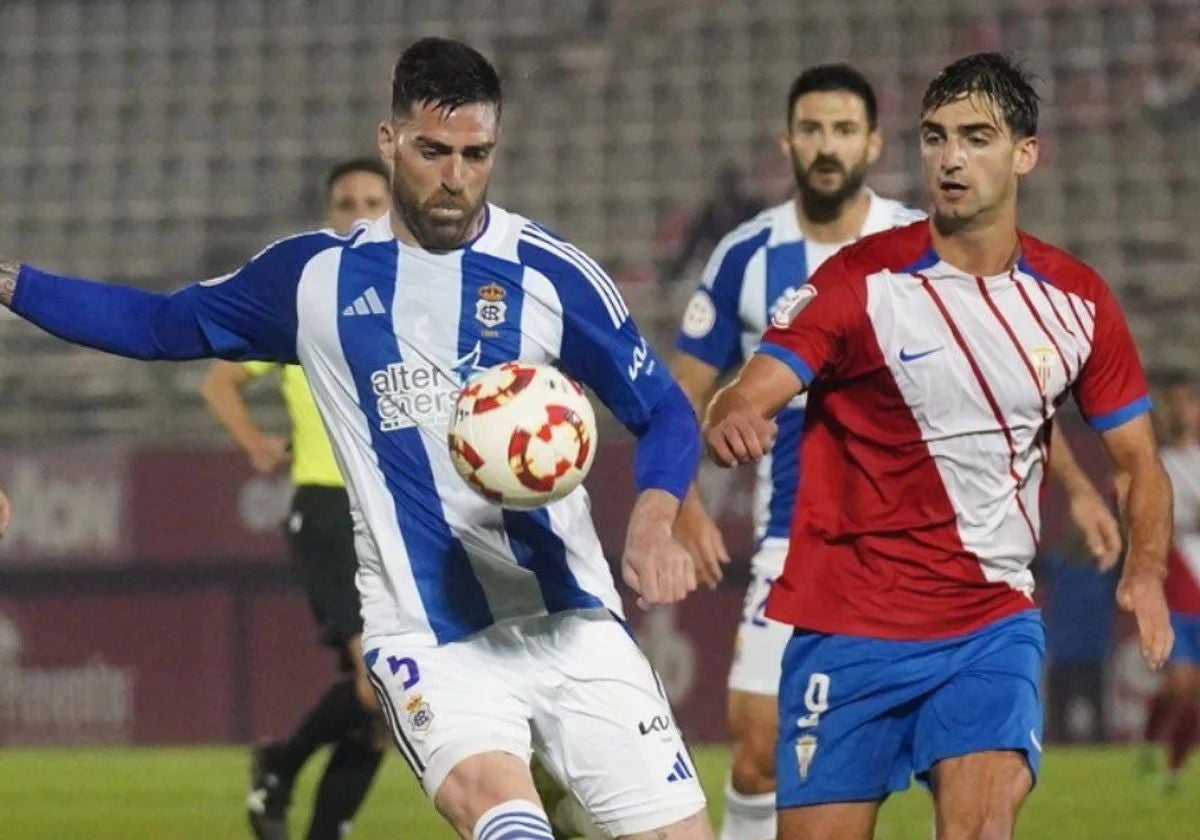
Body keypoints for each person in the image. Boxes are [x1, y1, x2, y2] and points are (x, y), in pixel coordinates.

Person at [0, 37, 711, 840]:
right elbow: (157, 325)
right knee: (507, 819)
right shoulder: (312, 279)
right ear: (389, 141)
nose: (455, 178)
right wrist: (9, 280)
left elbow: (665, 409)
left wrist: (656, 516)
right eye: (433, 151)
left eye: (476, 155)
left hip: (572, 620)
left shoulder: (551, 276)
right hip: (429, 634)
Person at [704, 53, 1172, 840]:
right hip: (847, 625)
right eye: (936, 137)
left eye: (977, 137)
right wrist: (733, 417)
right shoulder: (858, 282)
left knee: (980, 826)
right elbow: (747, 393)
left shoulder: (1079, 300)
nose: (951, 158)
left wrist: (1148, 569)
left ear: (1026, 152)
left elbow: (1139, 463)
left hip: (989, 623)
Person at [201, 158, 390, 840]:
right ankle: (281, 767)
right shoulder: (303, 303)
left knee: (390, 704)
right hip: (327, 503)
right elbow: (220, 382)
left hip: (390, 513)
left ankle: (314, 816)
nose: (361, 212)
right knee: (379, 683)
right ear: (329, 215)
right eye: (348, 202)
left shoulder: (413, 295)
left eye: (375, 199)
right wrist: (254, 442)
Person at [1140, 381, 1200, 789]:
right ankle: (1149, 738)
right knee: (1181, 682)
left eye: (1189, 403)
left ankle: (1175, 768)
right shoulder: (1159, 464)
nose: (1183, 411)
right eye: (1176, 404)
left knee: (1195, 689)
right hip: (1177, 583)